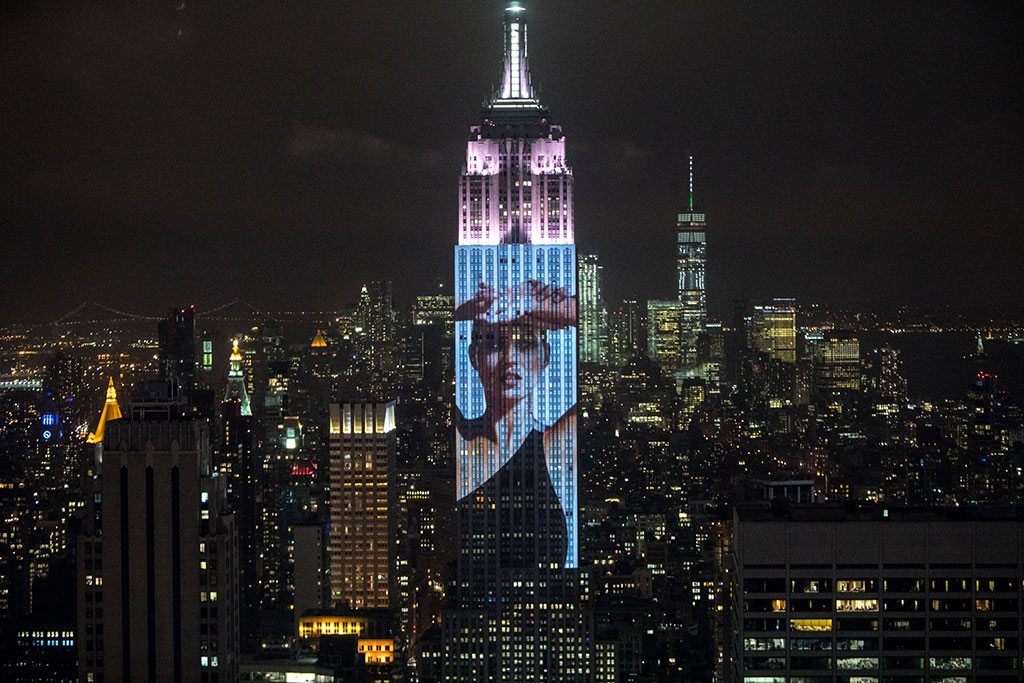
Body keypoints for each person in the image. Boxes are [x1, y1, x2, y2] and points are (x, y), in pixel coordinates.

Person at [454, 279, 577, 568]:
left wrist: (538, 306)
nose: (510, 359)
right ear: (473, 357)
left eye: (526, 343)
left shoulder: (555, 445)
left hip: (545, 594)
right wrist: (492, 302)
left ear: (545, 356)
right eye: (494, 343)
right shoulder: (458, 438)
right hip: (473, 594)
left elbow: (592, 314)